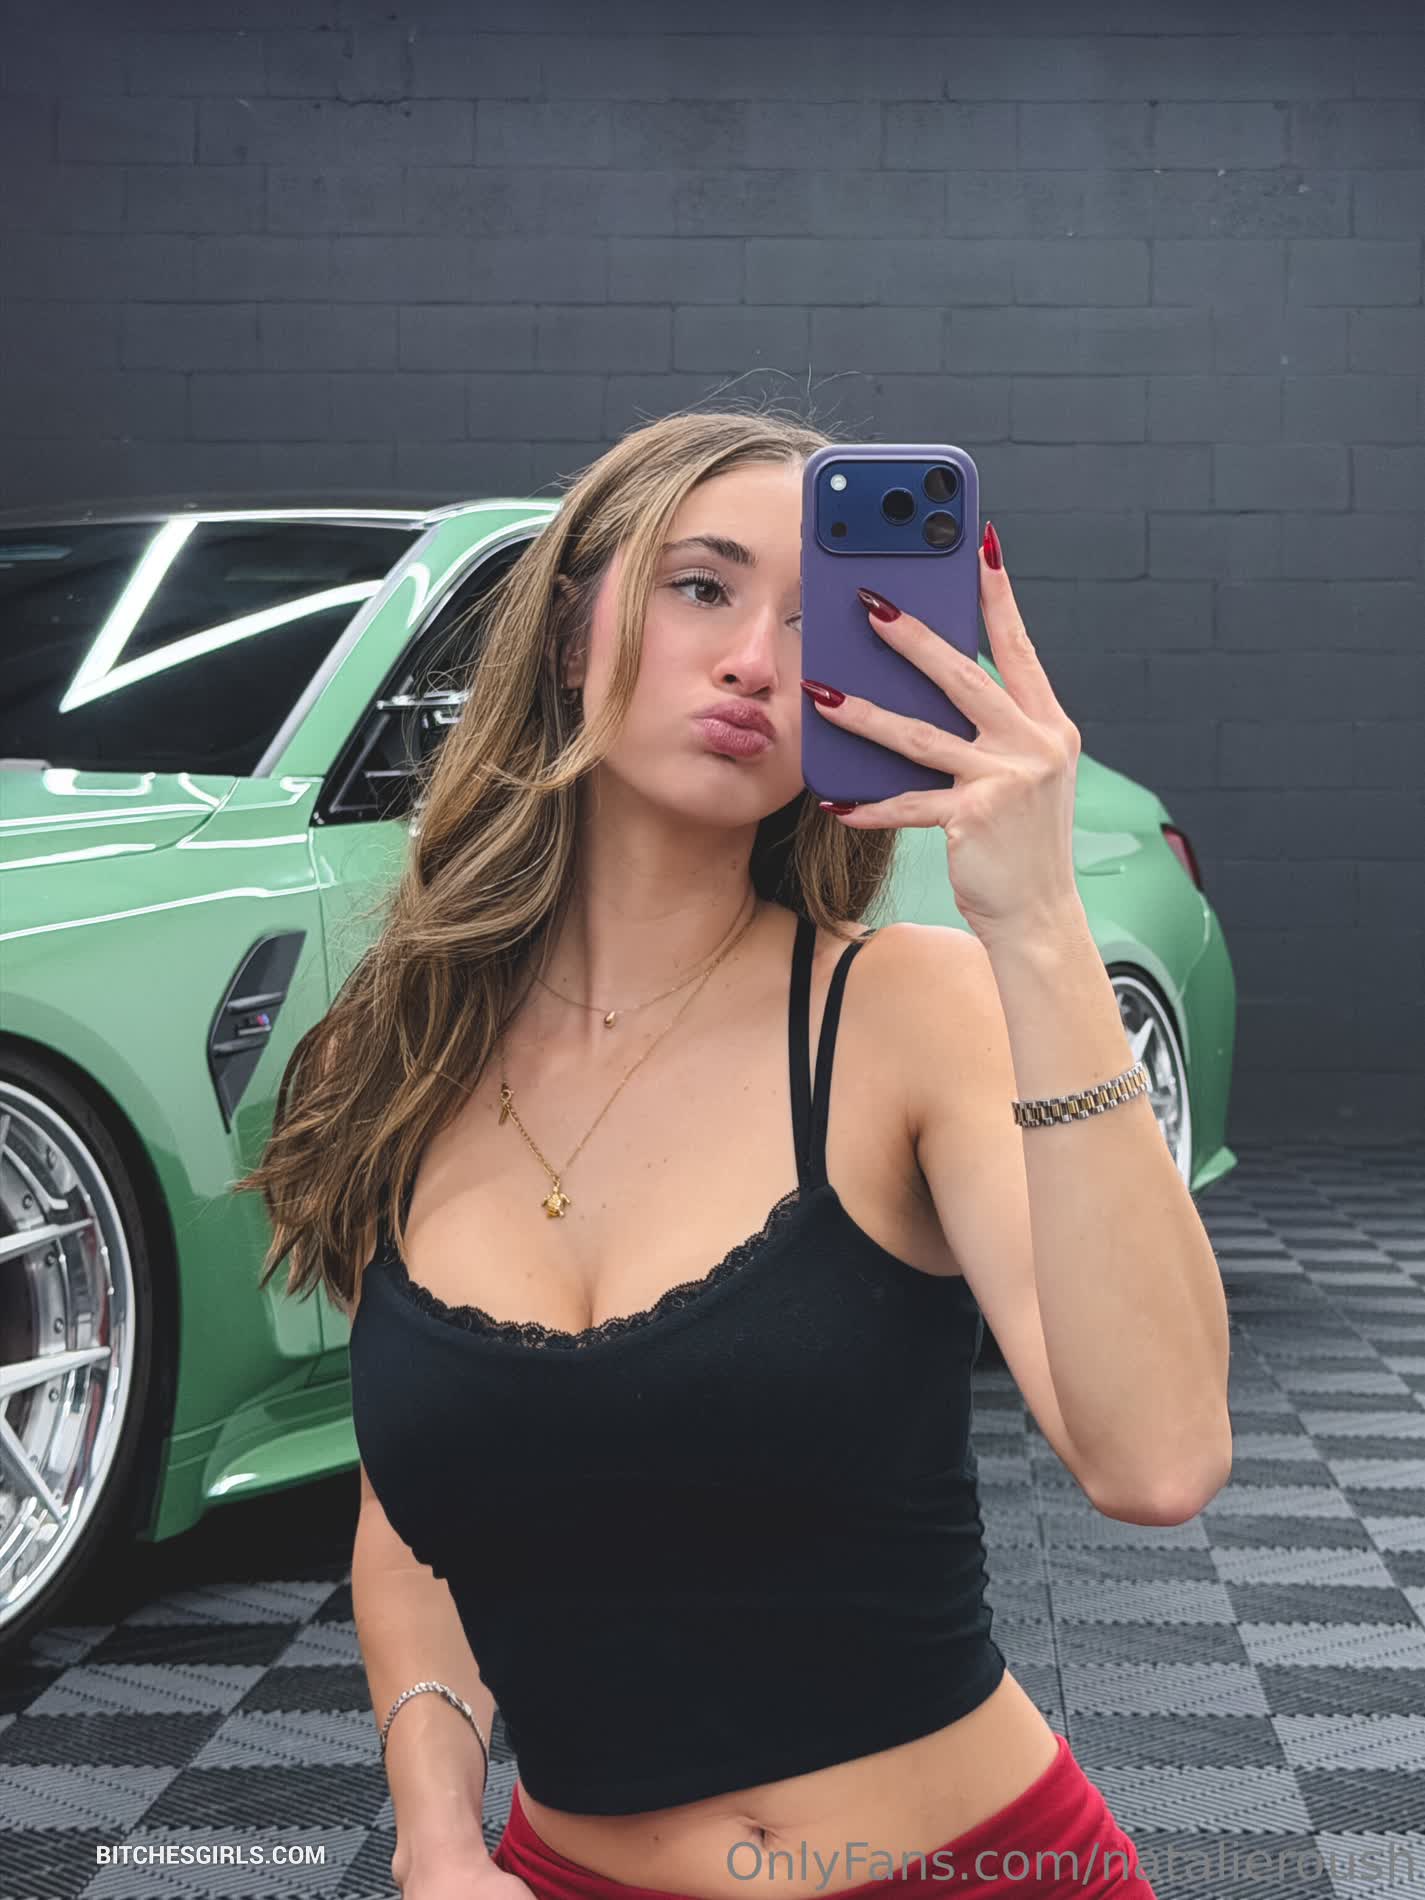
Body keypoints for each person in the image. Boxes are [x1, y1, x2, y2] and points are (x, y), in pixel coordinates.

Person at [239, 407, 1232, 1900]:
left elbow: (1156, 1461)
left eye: (821, 619)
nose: (759, 661)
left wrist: (1036, 925)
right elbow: (418, 1512)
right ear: (566, 631)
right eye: (702, 587)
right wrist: (436, 1836)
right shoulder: (394, 1061)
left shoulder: (904, 1011)